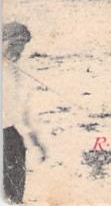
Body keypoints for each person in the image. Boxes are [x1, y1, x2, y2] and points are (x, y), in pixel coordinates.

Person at [3, 22, 47, 204]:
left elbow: (23, 111)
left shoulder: (15, 71)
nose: (18, 50)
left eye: (21, 46)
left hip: (9, 135)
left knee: (13, 194)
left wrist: (36, 141)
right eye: (13, 44)